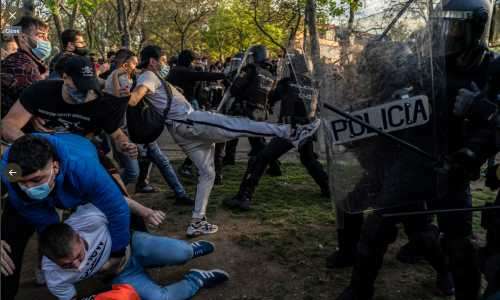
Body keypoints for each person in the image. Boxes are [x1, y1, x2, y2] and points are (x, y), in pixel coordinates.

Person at [126, 45, 320, 237]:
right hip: (190, 121)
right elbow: (135, 97)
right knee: (238, 125)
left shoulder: (154, 77)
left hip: (182, 131)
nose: (165, 63)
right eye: (162, 60)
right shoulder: (148, 76)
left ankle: (197, 222)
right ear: (152, 61)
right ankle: (292, 132)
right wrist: (125, 96)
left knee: (208, 173)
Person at [0, 134, 139, 300]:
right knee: (41, 236)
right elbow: (47, 226)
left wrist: (117, 252)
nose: (29, 188)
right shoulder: (11, 171)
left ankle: (132, 264)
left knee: (126, 214)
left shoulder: (84, 168)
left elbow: (117, 209)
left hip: (84, 161)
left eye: (36, 179)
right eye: (24, 182)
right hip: (36, 204)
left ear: (55, 167)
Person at [40, 203, 229, 300]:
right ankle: (197, 279)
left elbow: (118, 199)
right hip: (120, 275)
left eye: (78, 256)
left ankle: (189, 251)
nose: (77, 265)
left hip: (134, 245)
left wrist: (145, 211)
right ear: (50, 260)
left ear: (79, 237)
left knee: (183, 253)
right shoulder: (53, 276)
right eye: (66, 265)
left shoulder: (87, 219)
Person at [224, 50, 330, 210]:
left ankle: (244, 197)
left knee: (261, 158)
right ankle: (328, 188)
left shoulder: (286, 83)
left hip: (290, 129)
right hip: (309, 129)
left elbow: (270, 98)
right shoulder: (313, 84)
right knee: (308, 160)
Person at [106, 49, 193, 204]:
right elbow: (127, 100)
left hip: (137, 127)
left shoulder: (131, 75)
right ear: (125, 63)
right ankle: (107, 195)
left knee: (159, 160)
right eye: (133, 62)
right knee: (132, 171)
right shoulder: (117, 76)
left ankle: (180, 194)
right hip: (124, 131)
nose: (136, 65)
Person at [167, 49, 226, 178]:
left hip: (184, 107)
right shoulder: (181, 71)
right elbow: (203, 76)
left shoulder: (175, 71)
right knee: (199, 137)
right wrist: (223, 75)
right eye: (193, 60)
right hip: (185, 109)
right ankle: (188, 166)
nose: (195, 63)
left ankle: (190, 165)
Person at [225, 45, 282, 176]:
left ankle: (274, 165)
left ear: (255, 56)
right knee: (257, 141)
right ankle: (229, 157)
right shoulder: (269, 74)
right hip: (260, 112)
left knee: (235, 133)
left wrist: (229, 81)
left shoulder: (251, 69)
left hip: (246, 109)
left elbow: (235, 89)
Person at [0, 16, 50, 116]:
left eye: (47, 37)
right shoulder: (23, 66)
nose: (46, 41)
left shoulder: (31, 64)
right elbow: (41, 108)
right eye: (40, 36)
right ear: (23, 38)